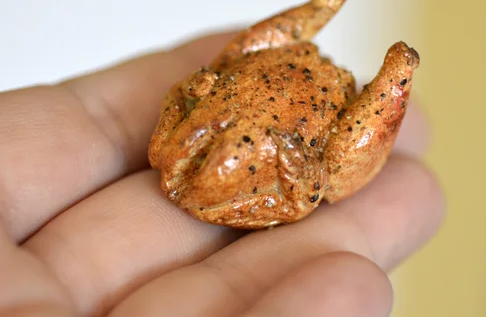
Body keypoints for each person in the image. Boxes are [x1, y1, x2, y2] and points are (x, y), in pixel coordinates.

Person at [0, 30, 444, 316]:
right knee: (310, 186)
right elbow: (326, 180)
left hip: (204, 156)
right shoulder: (283, 92)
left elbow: (210, 76)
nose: (320, 60)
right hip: (204, 158)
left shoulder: (241, 76)